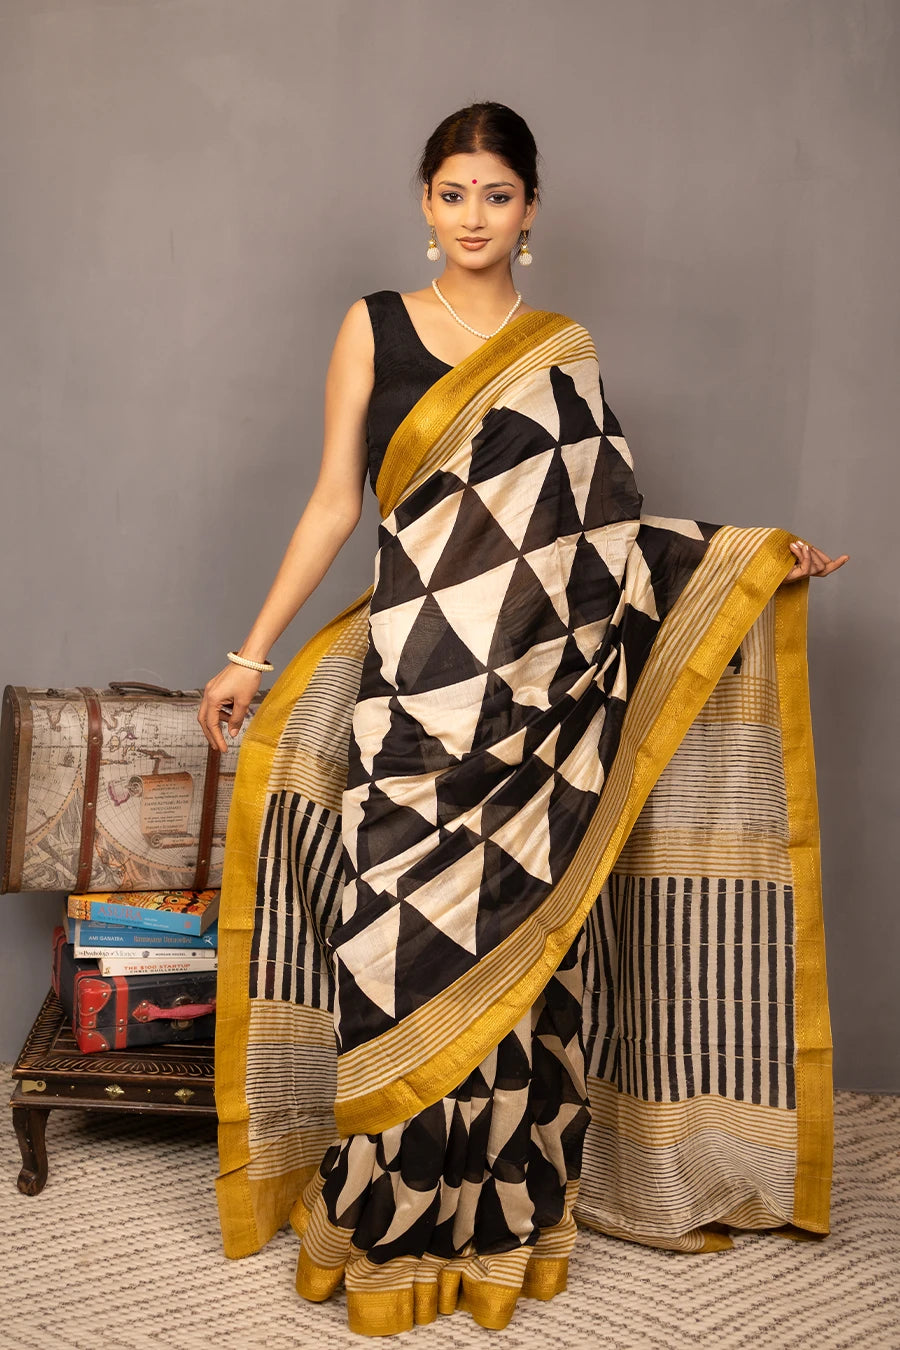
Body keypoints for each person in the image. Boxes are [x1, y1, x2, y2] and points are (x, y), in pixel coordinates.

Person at [199, 102, 848, 1339]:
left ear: (532, 210)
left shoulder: (565, 353)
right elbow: (337, 501)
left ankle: (503, 1233)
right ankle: (386, 1229)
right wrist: (252, 649)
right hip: (416, 701)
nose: (476, 217)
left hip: (538, 719)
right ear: (425, 202)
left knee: (521, 977)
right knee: (392, 964)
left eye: (498, 194)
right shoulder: (374, 327)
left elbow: (602, 543)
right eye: (454, 193)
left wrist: (749, 561)